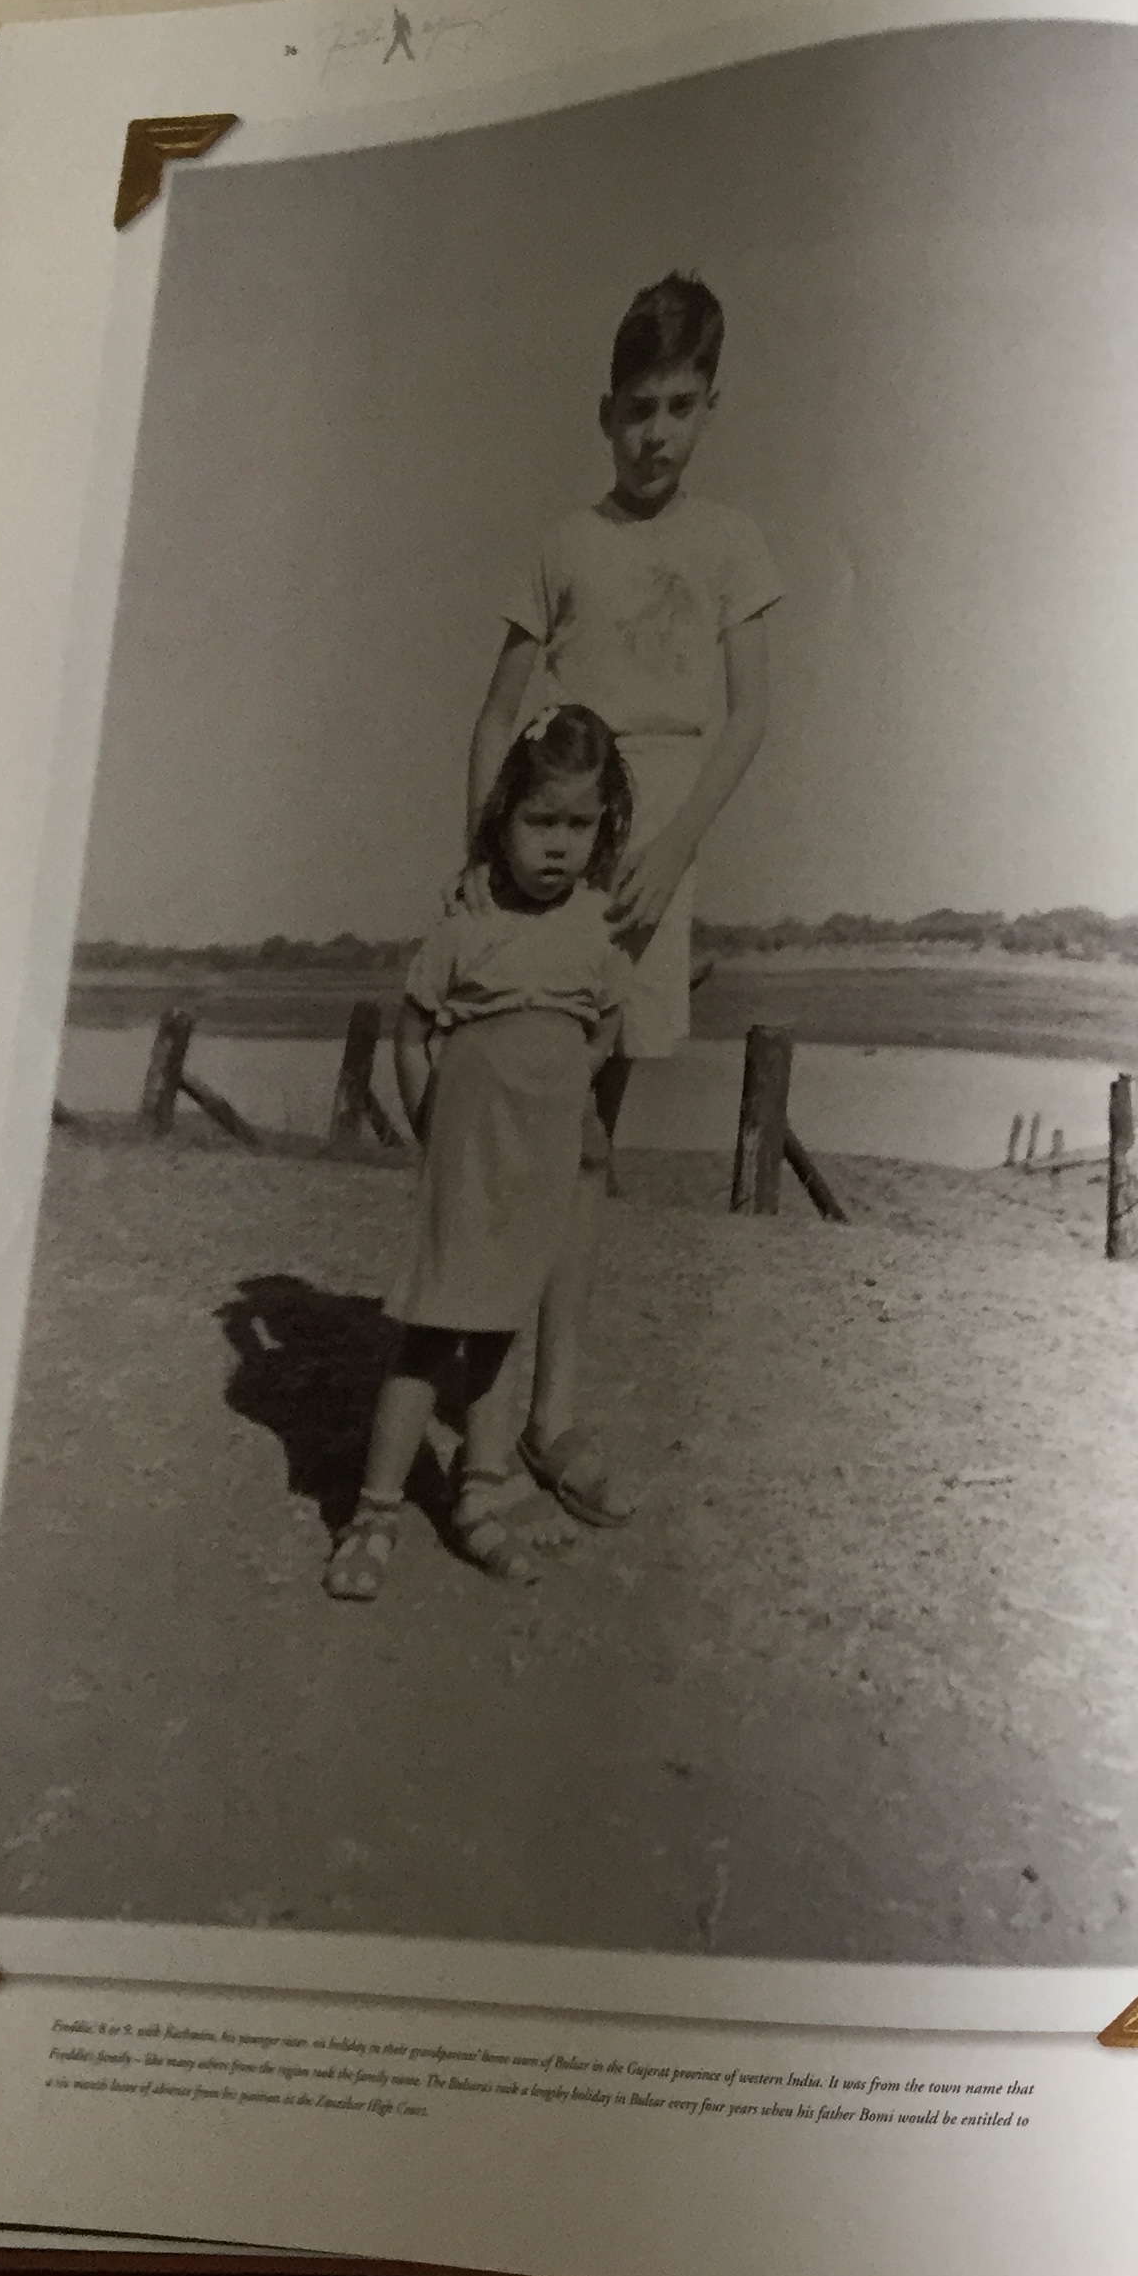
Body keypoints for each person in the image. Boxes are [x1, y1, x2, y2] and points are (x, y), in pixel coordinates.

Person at [459, 271, 784, 1540]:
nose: (657, 434)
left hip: (655, 868)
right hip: (555, 848)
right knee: (525, 1128)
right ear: (605, 412)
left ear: (711, 408)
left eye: (681, 407)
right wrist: (477, 875)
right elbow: (497, 714)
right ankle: (484, 1415)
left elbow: (749, 717)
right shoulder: (564, 544)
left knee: (593, 1142)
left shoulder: (731, 544)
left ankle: (554, 1414)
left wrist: (678, 848)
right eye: (638, 408)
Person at [324, 708, 640, 1601]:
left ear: (603, 829)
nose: (558, 845)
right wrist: (430, 1122)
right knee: (433, 1327)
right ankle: (375, 1510)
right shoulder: (466, 929)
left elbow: (607, 1022)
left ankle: (480, 1495)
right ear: (502, 819)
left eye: (579, 825)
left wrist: (570, 1093)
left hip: (538, 1158)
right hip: (468, 1153)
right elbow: (413, 1031)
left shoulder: (594, 930)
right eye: (540, 821)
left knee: (501, 1324)